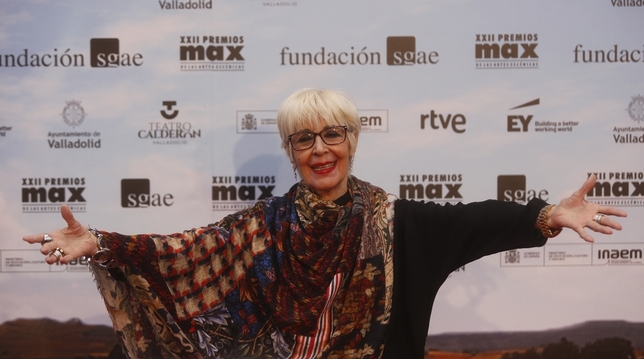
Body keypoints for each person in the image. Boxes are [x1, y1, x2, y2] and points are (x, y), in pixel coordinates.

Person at [23, 88, 627, 359]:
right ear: (290, 150)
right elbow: (181, 251)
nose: (320, 148)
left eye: (332, 133)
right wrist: (99, 242)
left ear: (352, 141)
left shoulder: (400, 225)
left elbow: (473, 221)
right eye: (303, 138)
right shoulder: (261, 226)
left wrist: (548, 214)